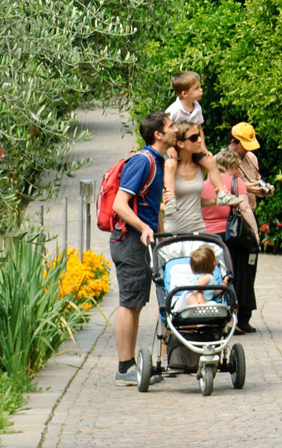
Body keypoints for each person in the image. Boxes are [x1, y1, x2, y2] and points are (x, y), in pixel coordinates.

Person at [111, 111, 173, 387]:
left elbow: (150, 206)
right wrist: (144, 229)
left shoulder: (158, 161)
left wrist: (160, 235)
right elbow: (119, 204)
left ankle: (130, 366)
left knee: (136, 304)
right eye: (171, 126)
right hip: (130, 241)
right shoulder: (143, 161)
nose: (175, 130)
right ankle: (124, 368)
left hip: (143, 241)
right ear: (158, 134)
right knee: (129, 303)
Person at [214, 148, 260, 333]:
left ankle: (214, 316)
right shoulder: (235, 182)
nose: (236, 171)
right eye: (235, 167)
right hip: (230, 235)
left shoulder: (207, 181)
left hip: (208, 234)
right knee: (236, 274)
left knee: (215, 275)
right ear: (229, 166)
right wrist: (255, 232)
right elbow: (245, 208)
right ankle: (233, 320)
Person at [174, 244, 220, 311]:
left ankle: (200, 309)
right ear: (214, 263)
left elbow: (211, 293)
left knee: (213, 303)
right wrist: (200, 296)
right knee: (189, 294)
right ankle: (199, 309)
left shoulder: (209, 278)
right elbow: (198, 287)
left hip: (196, 303)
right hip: (187, 301)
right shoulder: (206, 277)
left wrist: (223, 286)